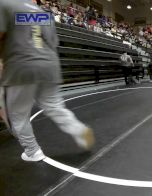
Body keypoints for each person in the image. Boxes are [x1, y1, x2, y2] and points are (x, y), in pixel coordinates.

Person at [0, 0, 95, 162]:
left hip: (21, 64)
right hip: (49, 64)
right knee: (54, 106)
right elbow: (53, 43)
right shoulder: (43, 13)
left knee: (18, 114)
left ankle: (32, 151)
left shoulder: (5, 4)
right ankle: (79, 130)